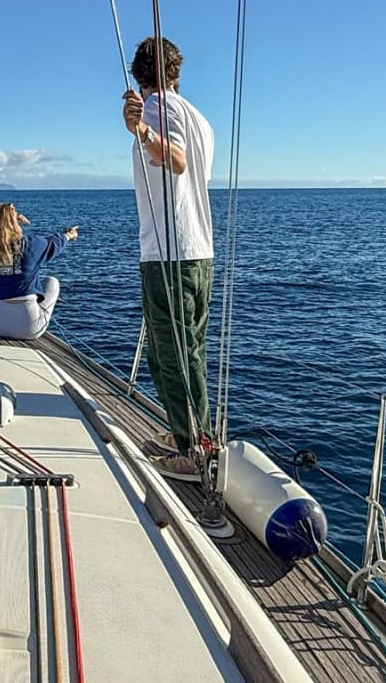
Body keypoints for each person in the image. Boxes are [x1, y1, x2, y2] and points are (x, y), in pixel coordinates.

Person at [122, 36, 215, 482]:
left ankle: (193, 453)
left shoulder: (157, 110)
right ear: (177, 71)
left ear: (139, 77)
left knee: (171, 355)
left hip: (169, 255)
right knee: (188, 354)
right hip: (199, 253)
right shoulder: (199, 118)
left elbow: (174, 160)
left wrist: (142, 130)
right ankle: (190, 433)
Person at [0, 203, 77, 339]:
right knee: (51, 281)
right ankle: (37, 310)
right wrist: (69, 234)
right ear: (13, 221)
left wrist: (10, 221)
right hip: (30, 329)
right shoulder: (32, 244)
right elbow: (54, 243)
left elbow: (3, 241)